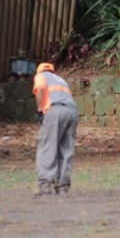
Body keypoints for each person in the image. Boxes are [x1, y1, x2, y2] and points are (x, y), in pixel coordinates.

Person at [32, 63, 78, 198]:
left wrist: (40, 110)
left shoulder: (41, 76)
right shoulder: (60, 79)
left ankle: (45, 186)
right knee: (66, 149)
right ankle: (63, 187)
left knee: (47, 147)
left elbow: (40, 90)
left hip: (55, 110)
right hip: (71, 112)